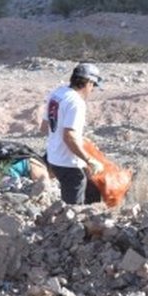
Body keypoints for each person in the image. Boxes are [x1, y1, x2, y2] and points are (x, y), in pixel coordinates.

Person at [41, 63, 105, 205]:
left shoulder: (57, 94)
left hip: (53, 158)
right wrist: (89, 160)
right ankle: (70, 225)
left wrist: (78, 138)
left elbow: (44, 127)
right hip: (69, 164)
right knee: (73, 210)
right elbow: (69, 136)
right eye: (93, 85)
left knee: (91, 189)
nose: (92, 89)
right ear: (88, 82)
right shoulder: (76, 103)